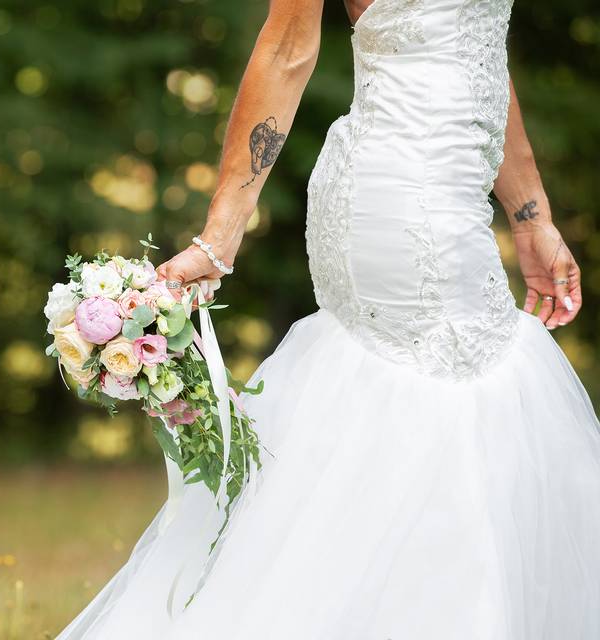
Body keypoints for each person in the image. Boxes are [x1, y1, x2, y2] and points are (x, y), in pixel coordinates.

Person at [59, 0, 600, 637]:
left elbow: (480, 48)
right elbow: (288, 48)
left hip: (456, 192)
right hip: (395, 197)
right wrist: (220, 236)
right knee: (441, 402)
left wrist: (530, 215)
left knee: (447, 412)